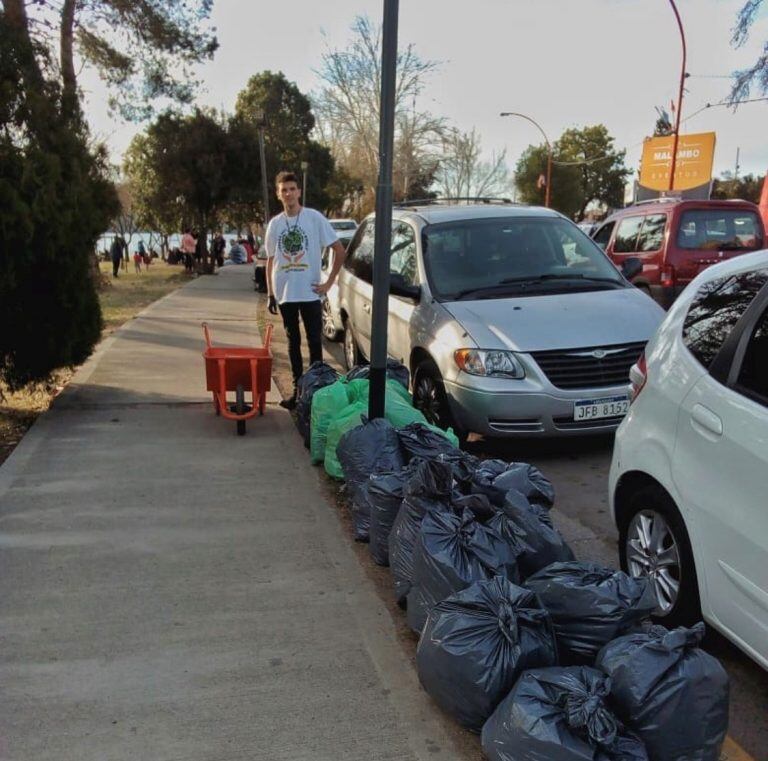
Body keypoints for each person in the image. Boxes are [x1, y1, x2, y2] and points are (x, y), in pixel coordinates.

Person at [265, 170, 347, 409]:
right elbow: (271, 259)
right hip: (285, 293)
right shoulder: (275, 224)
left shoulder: (314, 218)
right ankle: (298, 390)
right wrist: (271, 292)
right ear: (278, 194)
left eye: (292, 189)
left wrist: (329, 282)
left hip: (310, 291)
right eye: (284, 190)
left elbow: (339, 249)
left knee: (314, 341)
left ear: (298, 191)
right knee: (292, 341)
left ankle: (318, 392)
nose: (288, 193)